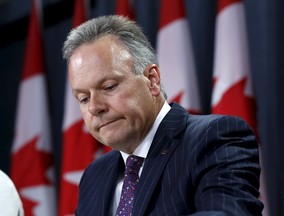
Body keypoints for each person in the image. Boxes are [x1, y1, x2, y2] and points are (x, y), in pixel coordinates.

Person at [63, 15, 264, 215]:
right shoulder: (94, 175)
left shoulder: (214, 138)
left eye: (109, 87)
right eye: (83, 98)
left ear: (152, 80)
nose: (94, 107)